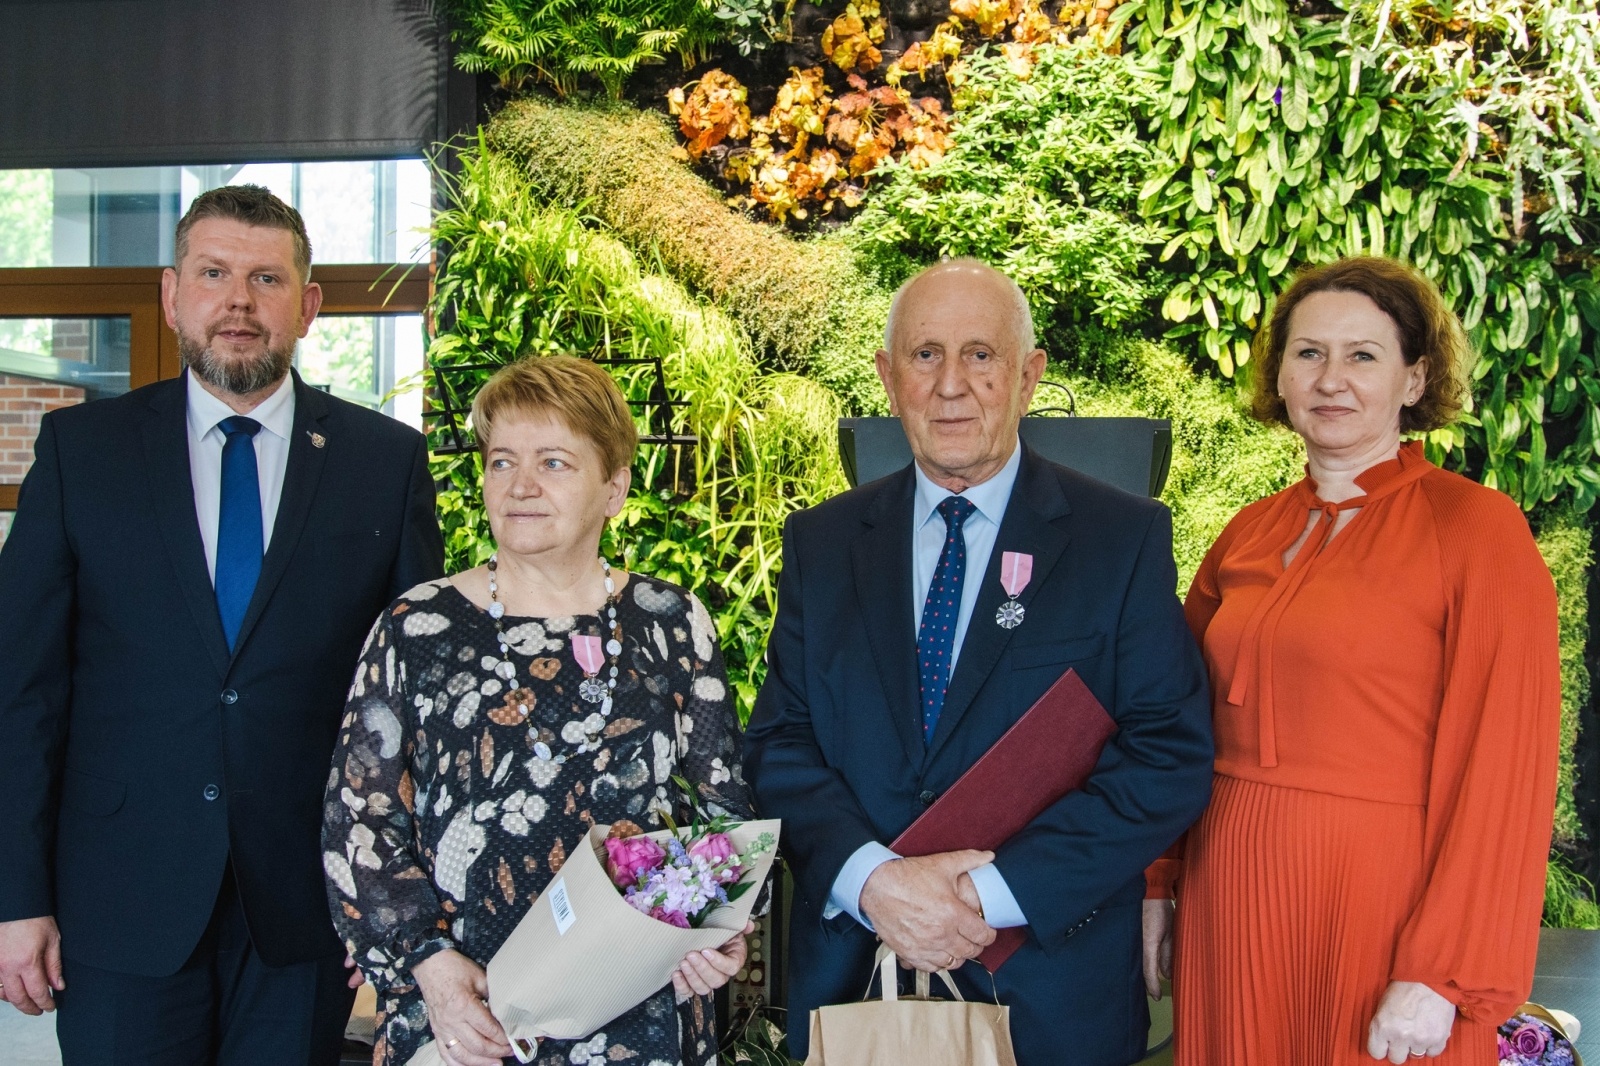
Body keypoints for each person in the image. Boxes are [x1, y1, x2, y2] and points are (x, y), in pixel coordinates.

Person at [0, 184, 445, 1064]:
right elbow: (22, 691)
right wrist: (17, 896)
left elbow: (414, 706)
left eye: (266, 279)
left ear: (308, 306)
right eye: (213, 273)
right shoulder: (80, 455)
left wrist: (399, 907)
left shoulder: (384, 463)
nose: (238, 301)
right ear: (173, 295)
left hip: (309, 910)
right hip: (118, 900)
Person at [743, 257, 1215, 1066]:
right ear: (890, 380)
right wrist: (876, 884)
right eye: (926, 355)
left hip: (1050, 995)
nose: (951, 384)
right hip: (862, 982)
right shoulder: (822, 544)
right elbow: (779, 745)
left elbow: (1166, 756)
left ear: (1029, 377)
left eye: (981, 355)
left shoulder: (1119, 541)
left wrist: (982, 899)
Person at [1147, 256, 1559, 1065]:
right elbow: (1171, 723)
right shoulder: (1247, 531)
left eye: (1363, 355)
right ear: (1280, 376)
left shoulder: (1477, 532)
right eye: (1308, 353)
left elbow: (1505, 769)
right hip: (1231, 891)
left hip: (1384, 905)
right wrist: (1158, 880)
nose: (1331, 378)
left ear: (1415, 379)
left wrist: (1443, 972)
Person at [324, 354, 755, 1066]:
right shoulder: (416, 626)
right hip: (469, 1019)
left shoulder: (672, 620)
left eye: (553, 462)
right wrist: (430, 969)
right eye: (501, 462)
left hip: (640, 1011)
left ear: (614, 487)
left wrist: (715, 932)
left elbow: (721, 815)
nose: (520, 486)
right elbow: (358, 822)